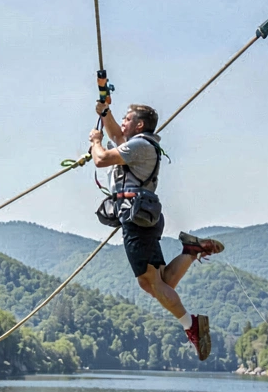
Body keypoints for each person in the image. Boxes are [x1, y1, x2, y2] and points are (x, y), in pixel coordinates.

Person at [88, 100, 224, 361]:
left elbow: (101, 158)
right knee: (159, 283)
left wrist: (96, 140)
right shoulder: (138, 143)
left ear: (139, 125)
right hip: (142, 214)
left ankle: (191, 325)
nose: (123, 123)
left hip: (136, 216)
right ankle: (190, 251)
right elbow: (116, 134)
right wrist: (105, 113)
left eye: (128, 119)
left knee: (150, 282)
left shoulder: (139, 145)